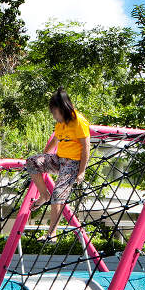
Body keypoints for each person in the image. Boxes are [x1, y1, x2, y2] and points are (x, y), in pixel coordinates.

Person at [24, 88, 90, 241]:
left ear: (63, 109)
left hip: (73, 164)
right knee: (32, 161)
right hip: (59, 159)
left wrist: (81, 171)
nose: (54, 117)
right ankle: (44, 194)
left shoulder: (79, 121)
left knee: (58, 193)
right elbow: (55, 140)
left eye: (55, 113)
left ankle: (51, 234)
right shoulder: (60, 124)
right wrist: (43, 157)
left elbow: (86, 147)